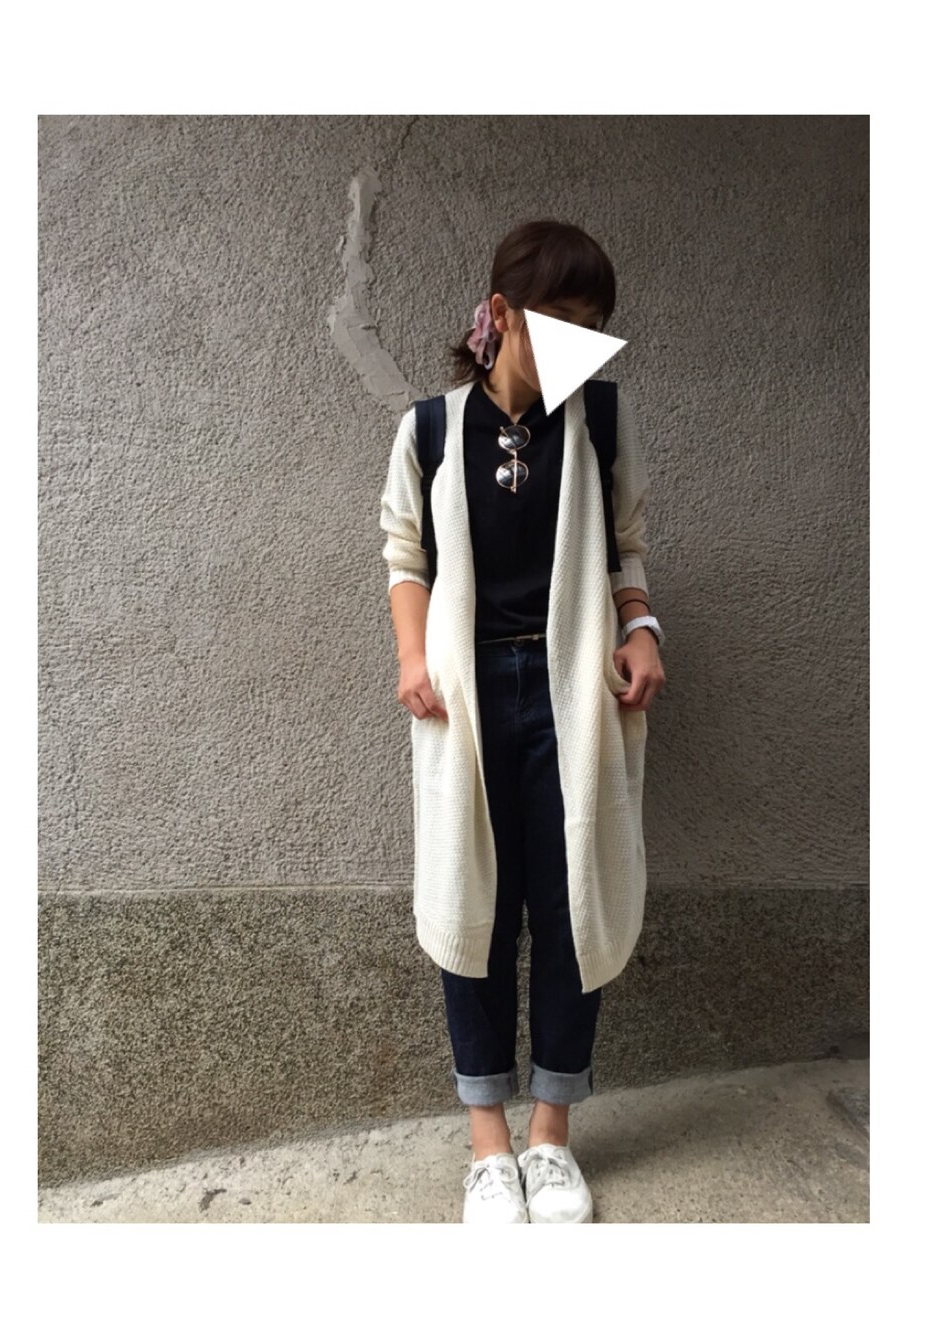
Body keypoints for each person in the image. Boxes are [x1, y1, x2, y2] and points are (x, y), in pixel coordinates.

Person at [379, 219, 666, 1224]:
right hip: (464, 700)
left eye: (594, 327)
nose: (581, 347)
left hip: (571, 694)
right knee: (476, 911)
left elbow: (625, 547)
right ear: (499, 316)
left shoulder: (603, 421)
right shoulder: (429, 429)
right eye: (562, 324)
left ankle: (550, 1137)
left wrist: (642, 630)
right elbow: (404, 552)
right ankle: (487, 1146)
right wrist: (413, 658)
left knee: (571, 902)